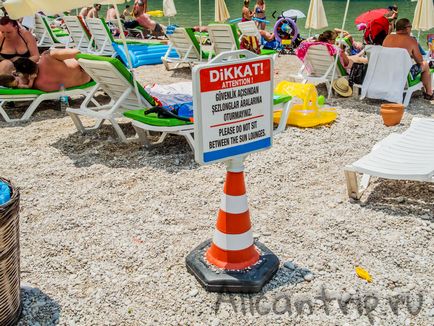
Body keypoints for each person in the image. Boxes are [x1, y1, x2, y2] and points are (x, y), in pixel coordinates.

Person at [383, 18, 433, 100]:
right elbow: (420, 61)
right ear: (406, 28)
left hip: (386, 72)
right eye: (410, 26)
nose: (411, 29)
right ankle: (429, 93)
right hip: (404, 76)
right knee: (425, 65)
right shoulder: (411, 40)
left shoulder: (387, 38)